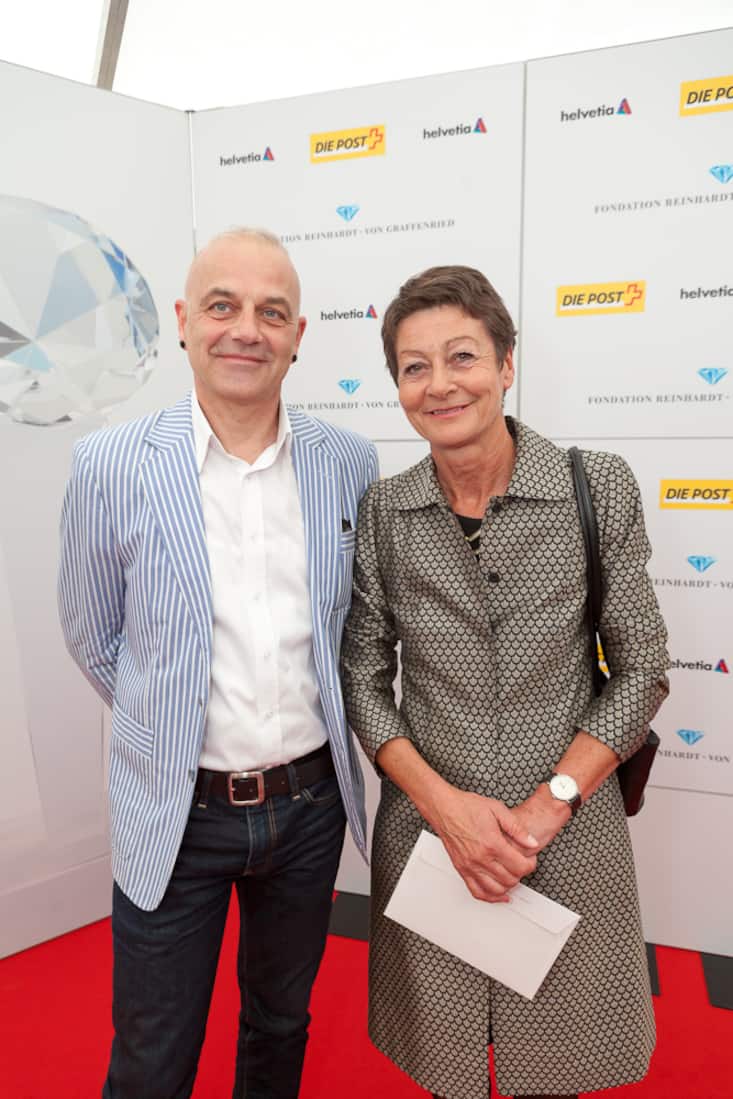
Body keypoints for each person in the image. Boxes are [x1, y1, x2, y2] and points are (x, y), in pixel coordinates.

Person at [58, 227, 378, 1099]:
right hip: (177, 812)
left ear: (298, 334)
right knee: (153, 1054)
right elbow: (90, 632)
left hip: (310, 809)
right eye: (222, 306)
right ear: (182, 321)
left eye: (271, 312)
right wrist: (165, 721)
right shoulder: (110, 464)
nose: (246, 329)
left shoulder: (348, 462)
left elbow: (354, 630)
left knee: (280, 1024)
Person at [340, 265, 669, 1099]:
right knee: (446, 1064)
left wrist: (546, 806)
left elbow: (640, 667)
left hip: (565, 835)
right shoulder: (383, 510)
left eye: (462, 356)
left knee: (558, 1066)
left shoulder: (594, 485)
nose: (440, 384)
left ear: (506, 363)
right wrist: (445, 809)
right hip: (429, 836)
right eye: (414, 367)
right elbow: (363, 678)